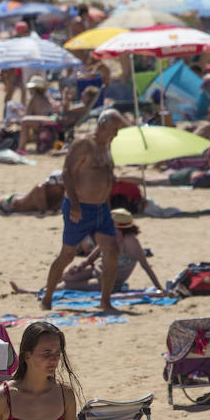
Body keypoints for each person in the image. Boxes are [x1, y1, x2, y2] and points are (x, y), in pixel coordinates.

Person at [42, 108, 123, 312]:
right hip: (79, 207)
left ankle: (105, 301)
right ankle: (48, 297)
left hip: (101, 209)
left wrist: (108, 206)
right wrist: (75, 204)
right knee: (67, 256)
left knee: (112, 251)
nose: (116, 134)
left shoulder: (107, 146)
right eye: (114, 129)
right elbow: (67, 173)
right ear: (102, 124)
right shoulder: (84, 144)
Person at [12, 208, 160, 294]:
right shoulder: (109, 236)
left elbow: (146, 266)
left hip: (110, 283)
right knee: (68, 275)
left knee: (68, 286)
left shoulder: (131, 243)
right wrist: (82, 265)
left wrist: (159, 289)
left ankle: (31, 292)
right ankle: (42, 289)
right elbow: (93, 256)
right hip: (96, 270)